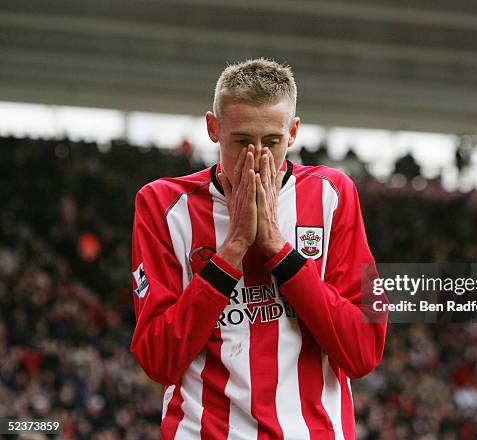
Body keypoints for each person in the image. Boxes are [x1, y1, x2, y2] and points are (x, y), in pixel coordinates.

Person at [130, 58, 387, 439]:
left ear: (294, 133)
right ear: (213, 128)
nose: (257, 157)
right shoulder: (163, 205)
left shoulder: (333, 194)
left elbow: (363, 351)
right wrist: (232, 249)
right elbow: (158, 359)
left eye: (271, 142)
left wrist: (278, 252)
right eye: (241, 141)